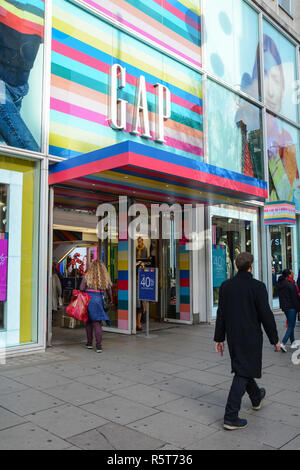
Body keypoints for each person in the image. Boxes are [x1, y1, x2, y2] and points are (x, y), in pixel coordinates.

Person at [214, 252, 280, 431]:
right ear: (250, 266)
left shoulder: (226, 286)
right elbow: (266, 315)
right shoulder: (258, 287)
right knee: (242, 372)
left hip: (234, 337)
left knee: (244, 367)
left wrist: (219, 338)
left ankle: (257, 397)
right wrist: (275, 340)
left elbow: (221, 314)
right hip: (251, 337)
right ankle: (230, 416)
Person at [0, 0, 44, 151]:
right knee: (31, 154)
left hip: (19, 86)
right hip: (2, 84)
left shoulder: (46, 6)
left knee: (11, 160)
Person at [80, 260, 112, 353]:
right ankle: (98, 346)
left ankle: (89, 343)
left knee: (89, 322)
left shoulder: (87, 276)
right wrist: (110, 299)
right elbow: (109, 290)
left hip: (88, 300)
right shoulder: (104, 278)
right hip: (99, 301)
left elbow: (81, 288)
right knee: (97, 323)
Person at [277, 269, 300, 353]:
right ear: (289, 275)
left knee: (291, 323)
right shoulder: (290, 284)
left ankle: (293, 341)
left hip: (285, 307)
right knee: (291, 326)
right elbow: (294, 298)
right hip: (291, 307)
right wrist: (298, 309)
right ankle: (283, 343)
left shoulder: (281, 283)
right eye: (292, 273)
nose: (293, 273)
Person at [136, 237, 148, 331]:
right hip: (137, 266)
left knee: (140, 305)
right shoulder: (135, 249)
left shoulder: (145, 249)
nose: (139, 243)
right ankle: (137, 323)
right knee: (138, 306)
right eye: (138, 241)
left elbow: (147, 259)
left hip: (142, 267)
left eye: (140, 241)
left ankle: (138, 323)